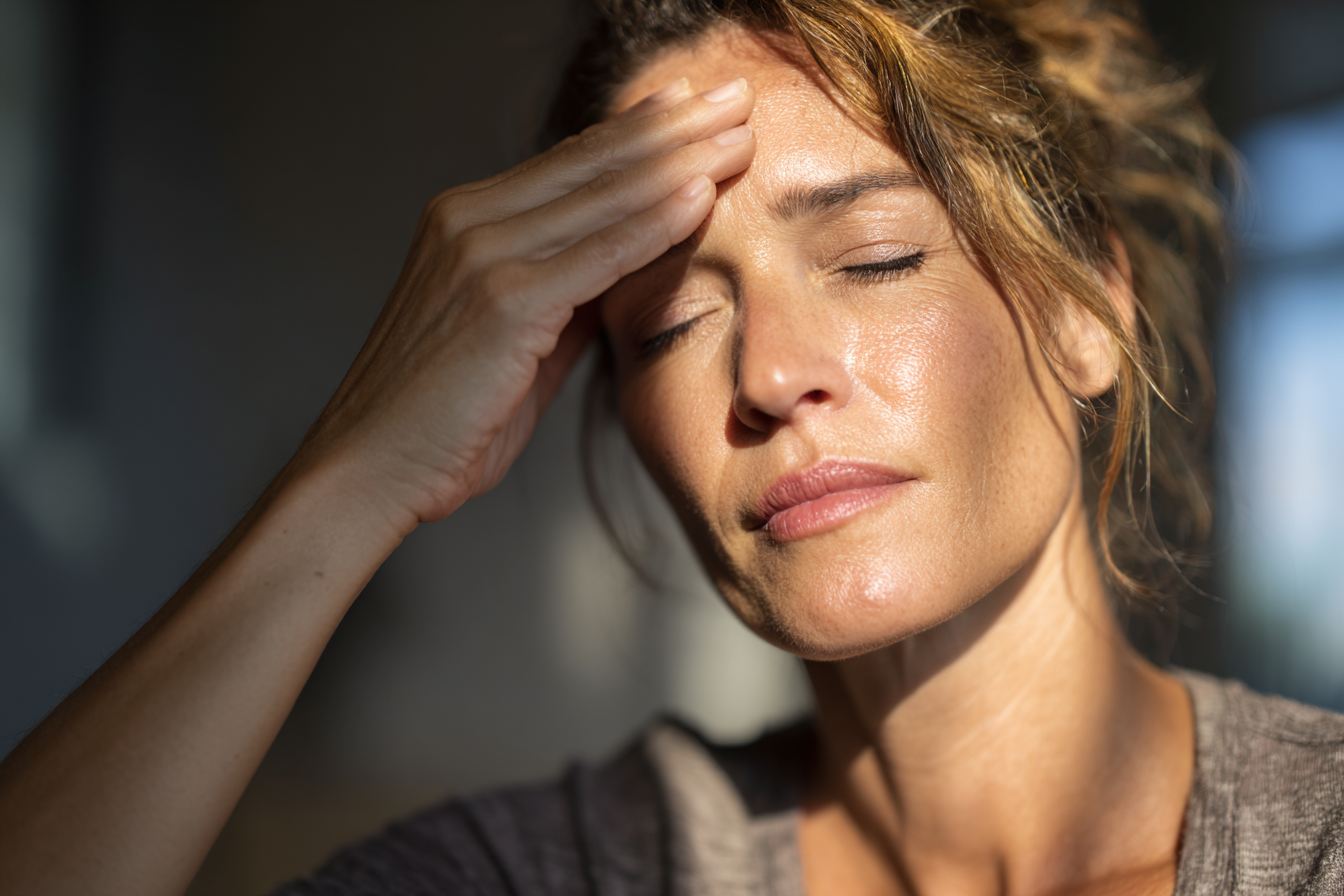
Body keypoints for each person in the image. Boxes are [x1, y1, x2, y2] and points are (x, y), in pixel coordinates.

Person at [2, 0, 1342, 893]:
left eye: (872, 260)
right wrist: (352, 478)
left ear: (1082, 312)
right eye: (670, 324)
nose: (767, 375)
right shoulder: (572, 872)